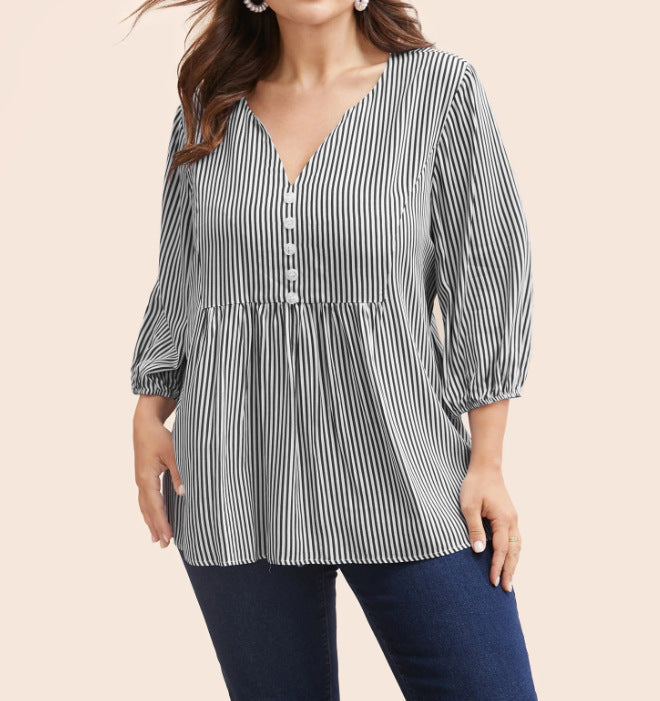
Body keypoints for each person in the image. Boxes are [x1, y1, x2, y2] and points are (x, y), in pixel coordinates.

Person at [127, 0, 538, 698]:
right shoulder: (207, 109)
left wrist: (488, 461)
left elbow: (488, 272)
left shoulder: (439, 91)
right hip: (235, 476)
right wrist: (149, 410)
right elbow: (181, 277)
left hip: (402, 468)